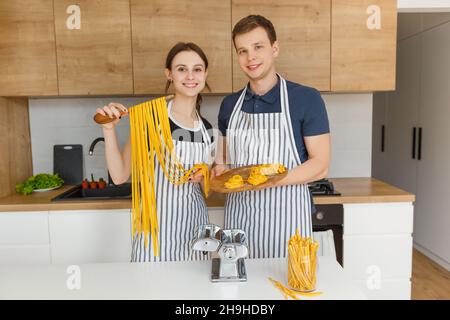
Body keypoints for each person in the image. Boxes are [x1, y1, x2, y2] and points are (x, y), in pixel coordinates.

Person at [211, 15, 331, 259]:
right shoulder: (229, 105)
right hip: (239, 221)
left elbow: (320, 166)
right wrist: (219, 166)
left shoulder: (306, 99)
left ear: (274, 48)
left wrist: (267, 180)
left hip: (288, 221)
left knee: (288, 292)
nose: (250, 57)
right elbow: (221, 158)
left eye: (258, 47)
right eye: (242, 51)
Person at [95, 42, 215, 262]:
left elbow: (206, 189)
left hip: (196, 233)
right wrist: (109, 129)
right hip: (155, 237)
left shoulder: (207, 129)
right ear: (169, 74)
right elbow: (120, 175)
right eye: (181, 69)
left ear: (205, 73)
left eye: (197, 69)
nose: (190, 75)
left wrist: (206, 175)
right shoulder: (151, 120)